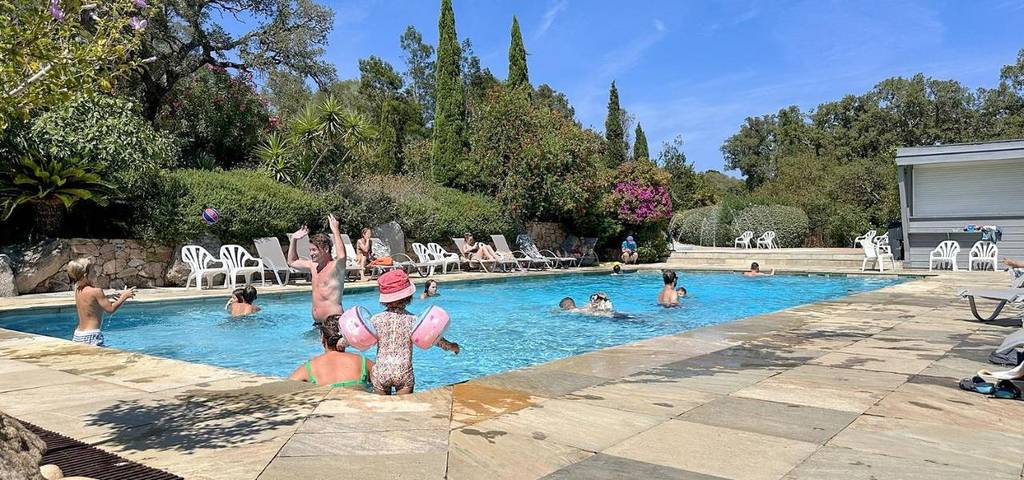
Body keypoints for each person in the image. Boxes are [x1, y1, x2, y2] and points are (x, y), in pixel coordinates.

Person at [370, 270, 460, 395]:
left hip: (381, 371)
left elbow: (358, 336)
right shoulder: (414, 320)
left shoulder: (376, 319)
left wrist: (340, 344)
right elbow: (434, 339)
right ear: (408, 296)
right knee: (404, 410)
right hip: (403, 372)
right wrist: (452, 346)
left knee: (381, 410)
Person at [288, 214, 347, 332]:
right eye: (310, 250)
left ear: (325, 249)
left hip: (333, 323)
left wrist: (335, 230)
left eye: (314, 250)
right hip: (317, 324)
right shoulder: (312, 266)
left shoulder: (335, 267)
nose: (311, 253)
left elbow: (342, 256)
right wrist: (293, 239)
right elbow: (292, 261)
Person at [289, 314, 374, 388]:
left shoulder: (309, 368)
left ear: (322, 338)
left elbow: (286, 386)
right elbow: (384, 378)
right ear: (347, 339)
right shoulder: (362, 362)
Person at [67, 258, 135, 346]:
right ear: (85, 275)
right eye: (93, 271)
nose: (96, 273)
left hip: (78, 334)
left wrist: (106, 295)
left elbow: (90, 301)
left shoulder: (77, 290)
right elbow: (110, 309)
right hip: (92, 335)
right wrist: (124, 296)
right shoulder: (96, 291)